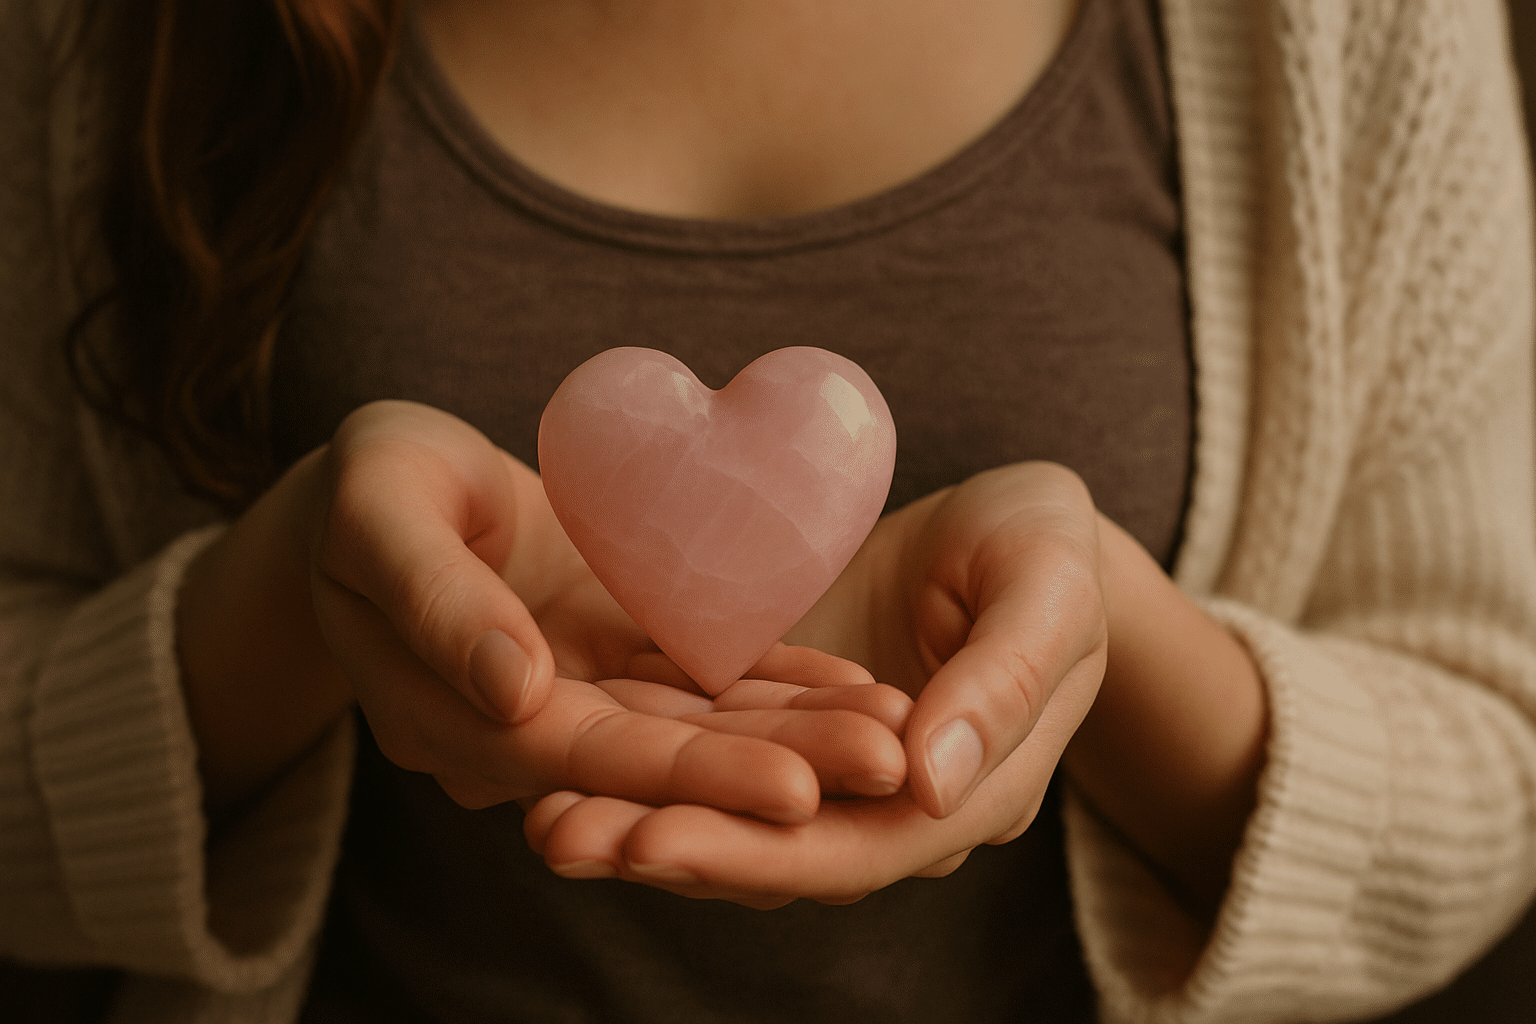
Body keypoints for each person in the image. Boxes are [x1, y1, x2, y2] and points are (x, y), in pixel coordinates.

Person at [3, 0, 1535, 1021]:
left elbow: (1500, 762)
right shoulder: (89, 36)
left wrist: (1116, 641)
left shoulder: (1344, 30)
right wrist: (288, 592)